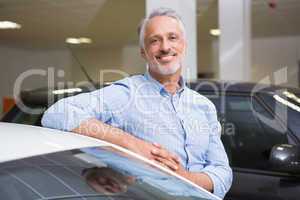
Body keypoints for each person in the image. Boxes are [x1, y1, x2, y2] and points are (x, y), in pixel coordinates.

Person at [42, 7, 232, 199]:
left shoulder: (203, 105)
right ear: (143, 51)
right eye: (154, 41)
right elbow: (57, 113)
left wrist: (185, 177)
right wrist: (132, 145)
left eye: (172, 37)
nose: (165, 47)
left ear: (184, 45)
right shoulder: (126, 94)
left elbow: (223, 174)